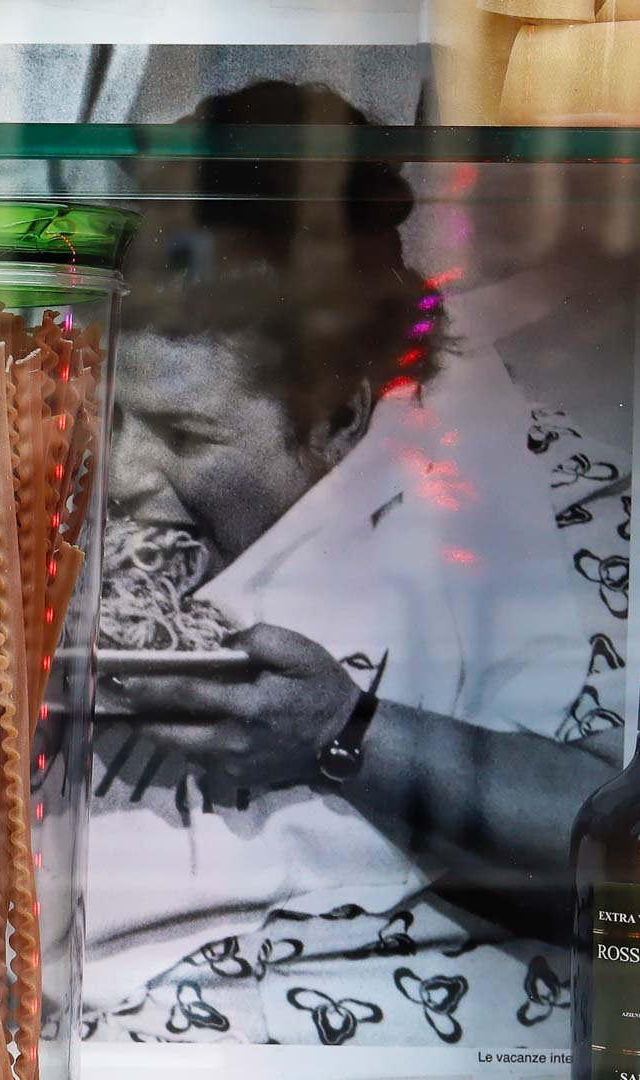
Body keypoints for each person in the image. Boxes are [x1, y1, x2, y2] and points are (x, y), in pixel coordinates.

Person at [84, 82, 628, 1046]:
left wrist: (341, 731)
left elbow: (617, 846)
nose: (123, 475)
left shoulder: (559, 505)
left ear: (340, 420)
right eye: (113, 419)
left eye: (184, 435)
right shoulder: (55, 476)